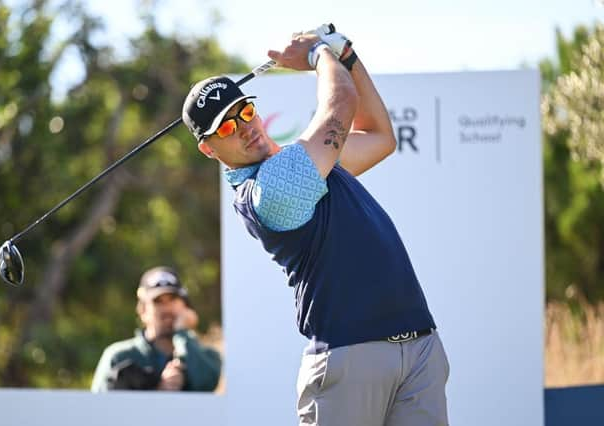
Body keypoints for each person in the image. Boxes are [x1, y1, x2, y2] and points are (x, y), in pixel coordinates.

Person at [181, 26, 449, 425]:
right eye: (225, 127)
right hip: (349, 356)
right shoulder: (267, 189)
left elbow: (379, 136)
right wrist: (318, 53)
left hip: (418, 347)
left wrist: (347, 56)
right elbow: (340, 104)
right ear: (208, 148)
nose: (245, 127)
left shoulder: (309, 163)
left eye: (246, 111)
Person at [91, 266, 221, 392]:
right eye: (158, 301)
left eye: (173, 299)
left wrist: (183, 334)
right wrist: (158, 392)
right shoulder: (119, 357)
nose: (167, 308)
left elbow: (207, 383)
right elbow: (99, 410)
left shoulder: (207, 357)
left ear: (186, 307)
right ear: (143, 311)